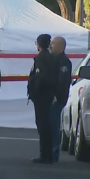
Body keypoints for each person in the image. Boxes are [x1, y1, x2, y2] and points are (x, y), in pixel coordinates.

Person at [27, 34, 57, 164]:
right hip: (46, 95)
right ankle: (47, 153)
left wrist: (35, 91)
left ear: (38, 45)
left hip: (43, 96)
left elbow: (41, 77)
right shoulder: (50, 58)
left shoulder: (41, 58)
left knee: (43, 125)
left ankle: (45, 154)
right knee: (45, 125)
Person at [50, 36, 73, 162]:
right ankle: (49, 152)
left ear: (60, 46)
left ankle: (54, 153)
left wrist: (56, 96)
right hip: (52, 97)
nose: (51, 46)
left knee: (54, 126)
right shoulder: (53, 59)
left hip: (57, 99)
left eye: (53, 44)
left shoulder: (63, 61)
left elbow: (62, 82)